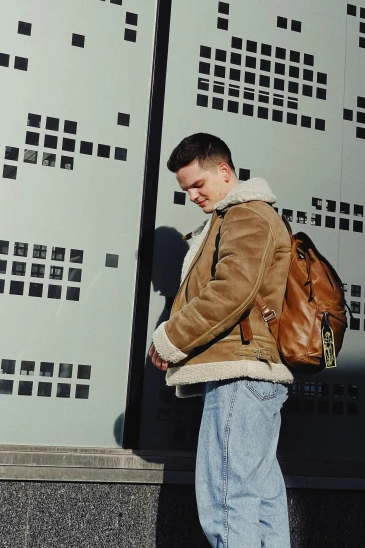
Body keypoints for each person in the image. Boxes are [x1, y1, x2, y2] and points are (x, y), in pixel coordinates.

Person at [149, 132, 293, 548]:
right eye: (185, 189)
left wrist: (169, 339)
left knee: (228, 500)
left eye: (198, 184)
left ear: (224, 171)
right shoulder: (242, 217)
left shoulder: (246, 215)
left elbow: (231, 291)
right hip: (255, 375)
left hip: (240, 376)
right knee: (261, 499)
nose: (193, 195)